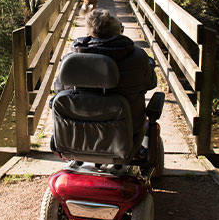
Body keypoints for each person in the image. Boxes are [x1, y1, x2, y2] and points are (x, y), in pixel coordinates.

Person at [56, 8, 157, 144]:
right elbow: (151, 83)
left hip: (76, 133)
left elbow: (59, 89)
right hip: (125, 133)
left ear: (89, 32)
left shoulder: (70, 61)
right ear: (118, 32)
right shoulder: (138, 57)